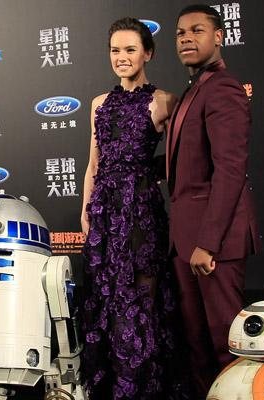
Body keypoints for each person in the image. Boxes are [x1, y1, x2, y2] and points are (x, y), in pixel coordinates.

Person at [79, 17, 179, 399]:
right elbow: (93, 164)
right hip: (105, 211)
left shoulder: (164, 101)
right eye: (115, 51)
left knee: (143, 297)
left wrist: (148, 173)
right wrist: (85, 209)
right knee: (107, 296)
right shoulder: (99, 105)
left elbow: (179, 158)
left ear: (148, 53)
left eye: (130, 50)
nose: (121, 58)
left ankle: (145, 386)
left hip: (140, 212)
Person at [167, 4, 262, 397]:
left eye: (197, 30)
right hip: (187, 239)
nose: (187, 38)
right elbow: (187, 162)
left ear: (219, 36)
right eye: (180, 33)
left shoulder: (223, 87)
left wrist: (208, 243)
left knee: (226, 344)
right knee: (198, 345)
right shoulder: (196, 89)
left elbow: (229, 170)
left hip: (212, 243)